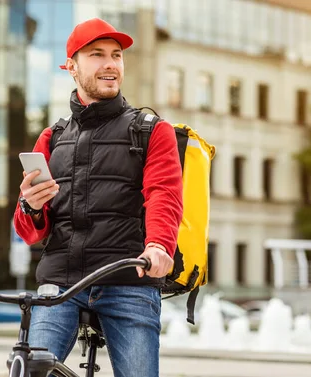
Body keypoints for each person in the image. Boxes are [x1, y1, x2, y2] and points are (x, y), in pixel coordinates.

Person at [13, 18, 183, 377]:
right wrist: (31, 205)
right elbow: (29, 231)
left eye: (116, 55)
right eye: (97, 55)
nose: (110, 63)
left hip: (127, 280)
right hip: (61, 283)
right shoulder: (52, 138)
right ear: (71, 67)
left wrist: (158, 247)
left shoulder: (152, 131)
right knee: (29, 369)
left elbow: (164, 196)